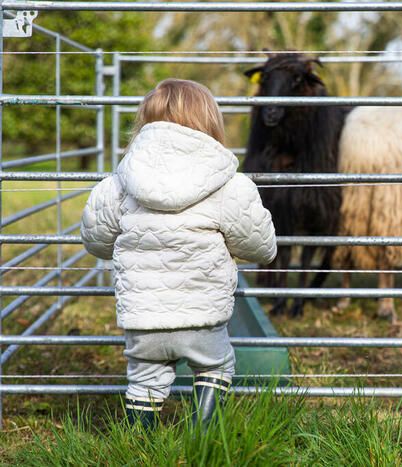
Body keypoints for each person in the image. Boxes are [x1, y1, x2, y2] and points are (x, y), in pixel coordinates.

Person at [81, 78, 277, 429]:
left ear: (146, 120)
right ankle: (205, 440)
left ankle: (139, 448)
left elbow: (96, 242)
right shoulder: (229, 184)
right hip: (203, 316)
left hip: (143, 319)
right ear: (209, 122)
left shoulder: (119, 183)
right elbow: (262, 247)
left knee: (144, 382)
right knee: (216, 367)